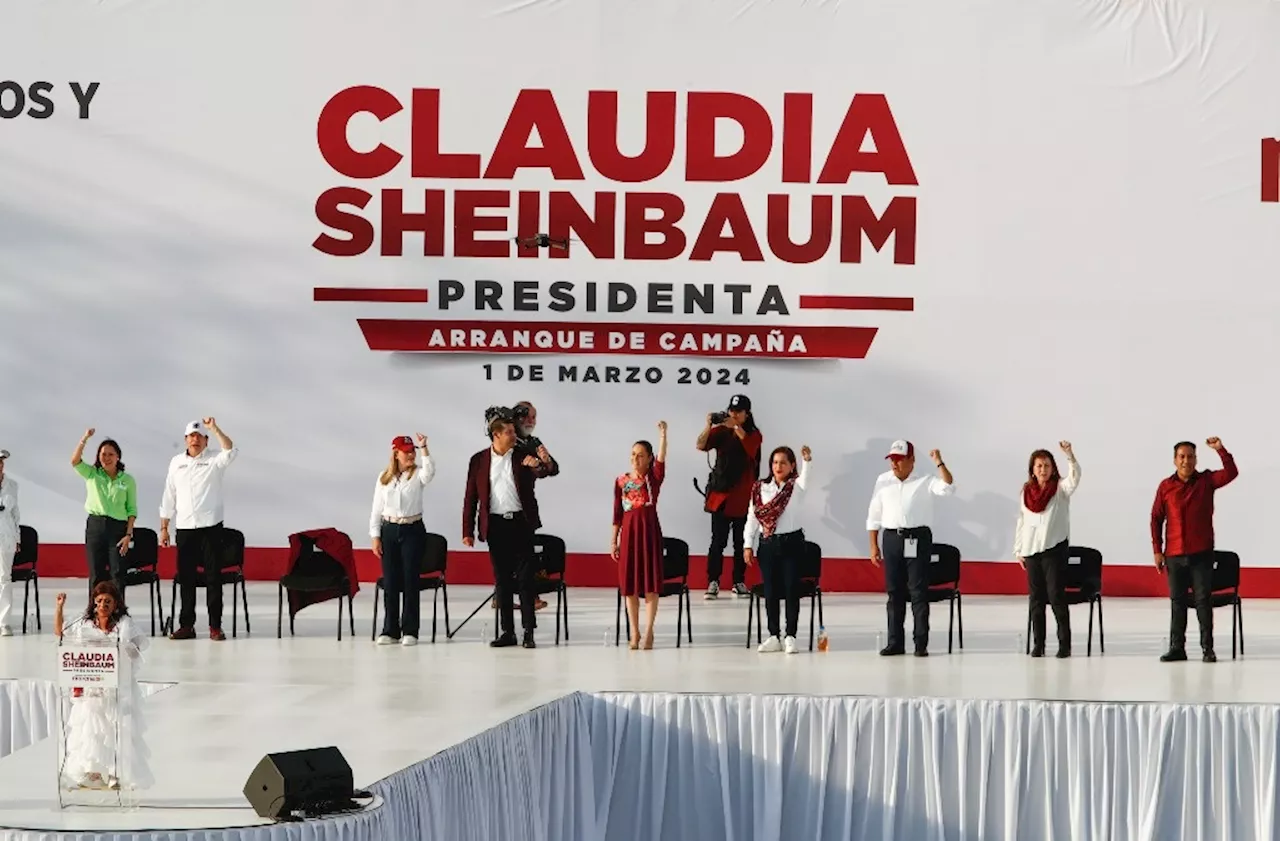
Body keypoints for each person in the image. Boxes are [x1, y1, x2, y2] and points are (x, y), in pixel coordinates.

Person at [463, 414, 556, 649]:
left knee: (526, 579)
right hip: (495, 526)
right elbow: (470, 497)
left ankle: (528, 632)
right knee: (502, 581)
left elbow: (546, 472)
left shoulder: (523, 454)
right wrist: (468, 530)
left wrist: (541, 463)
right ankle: (507, 632)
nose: (514, 435)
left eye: (515, 432)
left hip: (521, 524)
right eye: (509, 432)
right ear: (496, 435)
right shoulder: (478, 460)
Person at [54, 583, 153, 791]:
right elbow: (60, 633)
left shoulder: (125, 624)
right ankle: (94, 773)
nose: (102, 605)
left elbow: (140, 648)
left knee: (116, 729)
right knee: (93, 731)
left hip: (118, 688)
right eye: (99, 601)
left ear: (116, 604)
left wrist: (124, 650)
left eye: (107, 601)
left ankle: (117, 773)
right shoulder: (85, 624)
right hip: (92, 688)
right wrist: (59, 608)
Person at [1151, 437, 1238, 663]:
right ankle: (1177, 648)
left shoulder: (1206, 481)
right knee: (1177, 602)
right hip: (1174, 554)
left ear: (1196, 459)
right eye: (1181, 456)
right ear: (1174, 460)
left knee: (1202, 601)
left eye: (1190, 456)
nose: (1186, 461)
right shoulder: (1165, 486)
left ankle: (1207, 649)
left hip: (1201, 553)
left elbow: (1231, 472)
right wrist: (1157, 550)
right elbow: (1156, 518)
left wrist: (1220, 450)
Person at [867, 440, 955, 657]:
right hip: (892, 539)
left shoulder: (925, 481)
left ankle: (920, 643)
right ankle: (895, 642)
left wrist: (939, 463)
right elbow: (874, 515)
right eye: (892, 460)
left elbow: (949, 487)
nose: (894, 464)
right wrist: (873, 545)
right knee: (894, 592)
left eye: (899, 459)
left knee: (917, 591)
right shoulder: (883, 481)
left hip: (918, 538)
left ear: (911, 460)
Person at [160, 418, 238, 642]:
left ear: (206, 440)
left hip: (211, 527)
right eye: (191, 436)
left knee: (214, 577)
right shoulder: (176, 462)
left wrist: (214, 428)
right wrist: (164, 527)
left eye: (200, 436)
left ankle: (215, 626)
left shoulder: (215, 459)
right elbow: (169, 494)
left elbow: (230, 449)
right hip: (185, 528)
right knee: (187, 578)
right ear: (185, 440)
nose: (195, 439)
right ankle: (187, 625)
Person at [744, 445, 813, 655]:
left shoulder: (796, 487)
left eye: (783, 462)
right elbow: (752, 518)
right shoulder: (760, 488)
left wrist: (807, 461)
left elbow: (805, 479)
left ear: (792, 465)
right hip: (768, 545)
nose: (778, 466)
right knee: (771, 590)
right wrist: (748, 544)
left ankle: (790, 635)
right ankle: (773, 635)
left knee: (791, 588)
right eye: (775, 462)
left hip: (792, 544)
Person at [1014, 442, 1081, 658]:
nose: (1043, 470)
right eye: (1039, 466)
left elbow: (1075, 476)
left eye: (1047, 466)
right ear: (1032, 470)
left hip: (1054, 551)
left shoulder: (1061, 489)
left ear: (1053, 468)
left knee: (1056, 597)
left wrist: (1069, 455)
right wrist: (1019, 549)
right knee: (1036, 599)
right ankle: (1038, 644)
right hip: (1032, 551)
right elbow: (1022, 521)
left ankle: (1064, 645)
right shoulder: (1026, 492)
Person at [370, 434, 435, 647]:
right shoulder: (384, 477)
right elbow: (376, 509)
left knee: (410, 580)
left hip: (412, 530)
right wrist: (375, 536)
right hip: (389, 529)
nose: (411, 455)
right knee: (390, 582)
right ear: (395, 453)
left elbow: (430, 472)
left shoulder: (417, 475)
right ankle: (390, 629)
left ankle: (410, 630)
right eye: (406, 451)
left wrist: (425, 448)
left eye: (412, 451)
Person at [696, 394, 763, 599]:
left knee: (740, 543)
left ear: (747, 413)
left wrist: (735, 426)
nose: (733, 414)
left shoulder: (754, 434)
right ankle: (713, 581)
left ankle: (738, 581)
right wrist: (708, 425)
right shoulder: (722, 432)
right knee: (717, 542)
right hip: (721, 497)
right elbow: (700, 445)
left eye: (738, 411)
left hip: (743, 499)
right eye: (731, 410)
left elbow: (751, 446)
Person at [611, 421, 668, 650]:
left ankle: (649, 631)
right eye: (633, 454)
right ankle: (634, 632)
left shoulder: (652, 478)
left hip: (649, 531)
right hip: (629, 533)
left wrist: (663, 435)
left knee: (650, 585)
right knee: (630, 585)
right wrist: (613, 540)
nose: (636, 459)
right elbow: (617, 513)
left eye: (641, 455)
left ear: (649, 458)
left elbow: (662, 460)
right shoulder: (621, 481)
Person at [71, 429, 138, 603]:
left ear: (118, 457)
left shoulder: (127, 480)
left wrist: (128, 534)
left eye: (110, 454)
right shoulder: (92, 474)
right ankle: (94, 614)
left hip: (118, 530)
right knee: (96, 573)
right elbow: (75, 461)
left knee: (117, 573)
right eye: (103, 454)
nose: (106, 458)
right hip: (95, 526)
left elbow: (131, 510)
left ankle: (117, 614)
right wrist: (84, 438)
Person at [0, 449, 19, 637]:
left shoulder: (12, 485)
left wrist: (17, 537)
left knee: (5, 579)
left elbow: (15, 514)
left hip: (6, 538)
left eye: (1, 462)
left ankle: (4, 622)